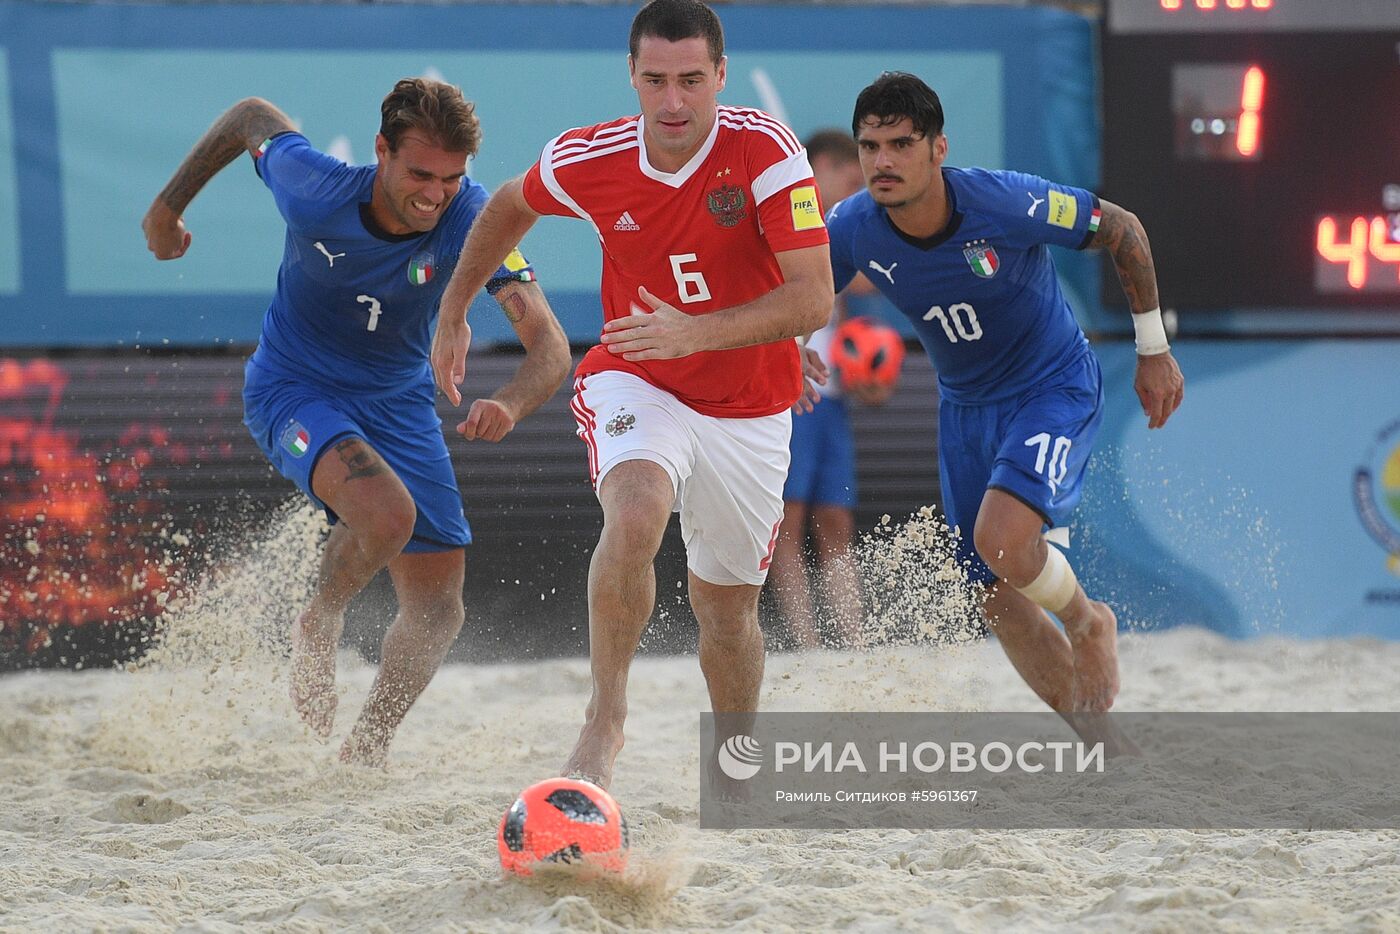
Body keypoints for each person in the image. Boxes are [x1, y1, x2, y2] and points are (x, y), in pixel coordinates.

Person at [431, 0, 833, 789]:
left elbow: (813, 297)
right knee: (638, 510)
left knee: (726, 612)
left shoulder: (765, 149)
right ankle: (604, 720)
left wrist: (699, 331)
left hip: (749, 402)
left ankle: (734, 760)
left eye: (691, 80)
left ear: (721, 74)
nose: (673, 101)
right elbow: (507, 203)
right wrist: (453, 310)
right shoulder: (594, 155)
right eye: (655, 80)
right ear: (632, 76)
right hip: (638, 371)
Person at [142, 78, 571, 765]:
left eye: (451, 178)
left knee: (440, 609)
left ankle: (367, 747)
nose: (435, 195)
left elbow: (550, 347)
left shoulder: (472, 218)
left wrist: (510, 404)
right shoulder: (314, 189)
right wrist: (167, 210)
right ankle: (322, 617)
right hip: (294, 387)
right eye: (420, 175)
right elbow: (250, 115)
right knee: (388, 517)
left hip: (399, 402)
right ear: (381, 151)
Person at [824, 73, 1184, 725]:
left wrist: (1153, 348)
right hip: (964, 409)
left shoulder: (1005, 201)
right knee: (993, 595)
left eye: (901, 144)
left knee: (1002, 541)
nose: (882, 162)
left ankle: (1088, 621)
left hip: (1051, 386)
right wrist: (794, 342)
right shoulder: (852, 226)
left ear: (939, 148)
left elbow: (1122, 228)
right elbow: (800, 288)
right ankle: (1097, 737)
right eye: (869, 147)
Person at [767, 129, 890, 650]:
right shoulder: (785, 224)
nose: (857, 190)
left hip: (831, 397)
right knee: (788, 521)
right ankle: (807, 643)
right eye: (851, 178)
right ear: (820, 167)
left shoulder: (839, 231)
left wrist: (869, 375)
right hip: (788, 398)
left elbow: (871, 280)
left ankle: (853, 639)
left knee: (835, 520)